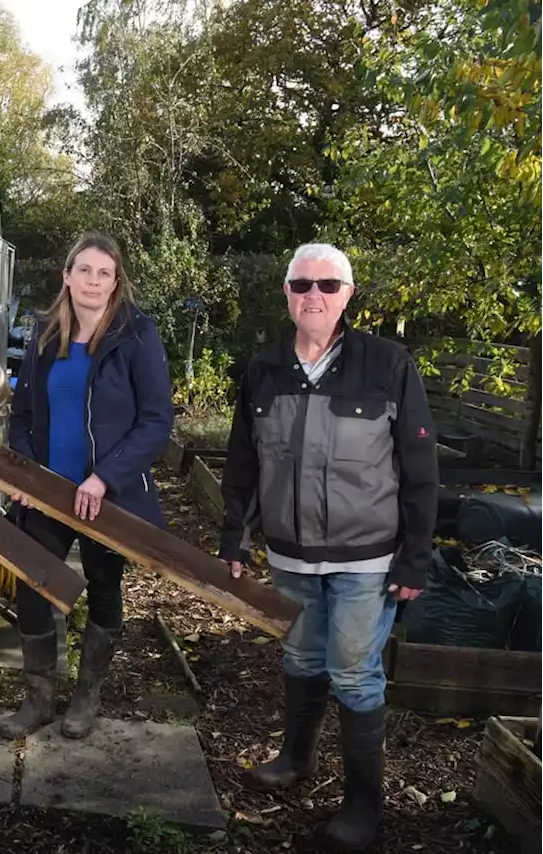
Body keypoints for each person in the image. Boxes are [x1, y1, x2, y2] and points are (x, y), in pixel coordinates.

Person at [218, 242, 438, 851]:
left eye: (328, 285)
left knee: (355, 674)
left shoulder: (387, 365)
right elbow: (242, 463)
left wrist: (415, 554)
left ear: (348, 295)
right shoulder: (263, 368)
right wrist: (233, 536)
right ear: (286, 292)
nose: (314, 295)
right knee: (300, 659)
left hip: (367, 560)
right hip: (290, 555)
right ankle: (296, 759)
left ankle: (364, 805)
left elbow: (420, 469)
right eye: (302, 284)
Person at [0, 232, 174, 742]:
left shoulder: (138, 335)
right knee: (31, 584)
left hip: (108, 495)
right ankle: (37, 699)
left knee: (103, 587)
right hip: (49, 492)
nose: (93, 281)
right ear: (67, 277)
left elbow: (156, 421)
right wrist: (28, 475)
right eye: (85, 271)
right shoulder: (46, 333)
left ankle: (87, 696)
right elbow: (23, 414)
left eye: (104, 273)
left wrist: (104, 478)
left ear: (116, 282)